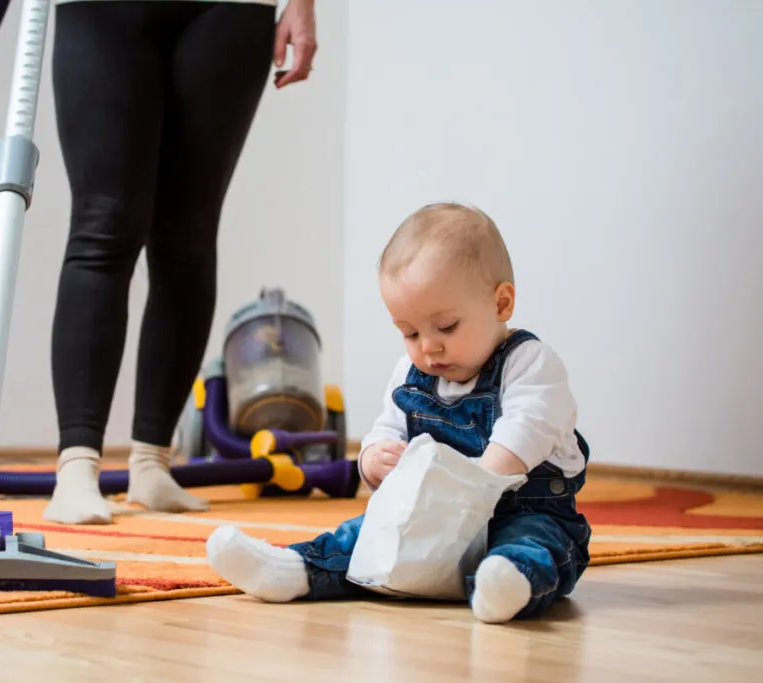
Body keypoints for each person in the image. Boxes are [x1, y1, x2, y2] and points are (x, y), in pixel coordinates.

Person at [205, 202, 592, 624]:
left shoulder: (530, 363)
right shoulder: (411, 375)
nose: (427, 347)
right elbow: (387, 427)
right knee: (363, 534)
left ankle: (506, 582)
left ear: (501, 304)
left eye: (445, 327)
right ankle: (295, 570)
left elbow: (523, 432)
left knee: (538, 545)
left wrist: (467, 490)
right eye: (409, 332)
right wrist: (374, 461)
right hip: (433, 521)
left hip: (523, 511)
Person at [43, 0, 318, 525]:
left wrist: (302, 5)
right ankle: (76, 469)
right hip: (100, 11)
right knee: (104, 225)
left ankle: (151, 464)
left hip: (230, 10)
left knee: (188, 238)